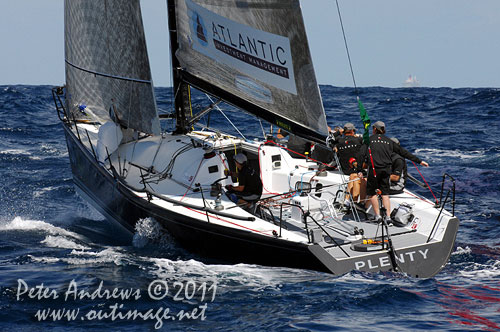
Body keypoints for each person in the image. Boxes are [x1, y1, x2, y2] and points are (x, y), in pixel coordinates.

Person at [358, 121, 429, 222]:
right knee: (385, 194)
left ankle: (377, 216)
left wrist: (359, 170)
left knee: (372, 193)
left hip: (374, 170)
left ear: (374, 129)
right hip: (386, 170)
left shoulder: (368, 140)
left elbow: (361, 155)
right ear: (383, 130)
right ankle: (387, 217)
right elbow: (403, 152)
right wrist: (420, 161)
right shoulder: (389, 141)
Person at [334, 123, 366, 204]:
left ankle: (347, 199)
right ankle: (359, 202)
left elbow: (329, 138)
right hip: (357, 170)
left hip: (345, 171)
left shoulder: (339, 141)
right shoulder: (359, 140)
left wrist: (338, 132)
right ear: (352, 131)